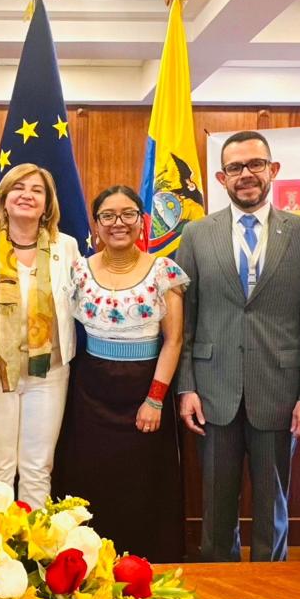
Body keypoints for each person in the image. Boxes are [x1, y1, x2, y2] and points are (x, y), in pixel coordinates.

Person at [177, 130, 300, 563]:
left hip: (280, 392)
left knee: (272, 505)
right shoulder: (196, 234)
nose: (246, 174)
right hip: (212, 392)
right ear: (221, 177)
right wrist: (186, 387)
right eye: (235, 167)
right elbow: (185, 319)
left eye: (255, 164)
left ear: (273, 170)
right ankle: (218, 589)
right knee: (215, 504)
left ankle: (271, 590)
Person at [57, 185, 188, 561]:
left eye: (128, 214)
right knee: (92, 480)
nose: (119, 223)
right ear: (96, 225)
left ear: (141, 222)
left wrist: (155, 399)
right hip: (90, 393)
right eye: (108, 215)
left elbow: (174, 340)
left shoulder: (164, 271)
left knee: (142, 484)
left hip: (144, 392)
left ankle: (145, 567)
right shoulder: (78, 270)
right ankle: (92, 568)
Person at [0, 162, 79, 510]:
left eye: (36, 190)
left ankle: (34, 543)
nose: (27, 195)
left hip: (49, 372)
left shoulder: (67, 247)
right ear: (3, 198)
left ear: (47, 204)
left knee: (37, 468)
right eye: (18, 187)